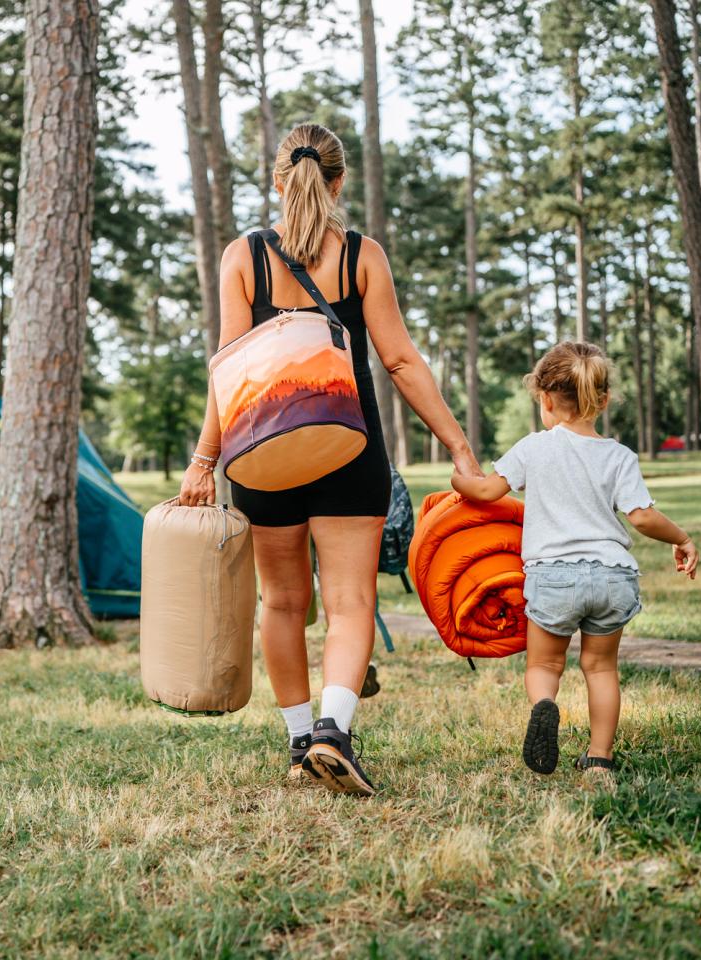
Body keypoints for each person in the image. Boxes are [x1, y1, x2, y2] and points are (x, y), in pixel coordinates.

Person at [177, 123, 483, 796]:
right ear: (339, 181)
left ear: (278, 181)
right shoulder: (360, 256)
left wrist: (203, 461)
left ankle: (296, 745)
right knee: (349, 604)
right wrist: (460, 447)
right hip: (350, 447)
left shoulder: (243, 257)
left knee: (282, 604)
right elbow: (400, 360)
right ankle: (332, 732)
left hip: (261, 457)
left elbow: (227, 373)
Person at [450, 341, 700, 784]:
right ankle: (600, 759)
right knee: (601, 668)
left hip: (554, 579)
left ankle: (545, 705)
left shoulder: (534, 448)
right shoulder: (620, 456)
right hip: (613, 576)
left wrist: (459, 479)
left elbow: (487, 491)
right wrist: (681, 538)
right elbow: (641, 516)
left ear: (545, 400)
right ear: (602, 400)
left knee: (545, 666)